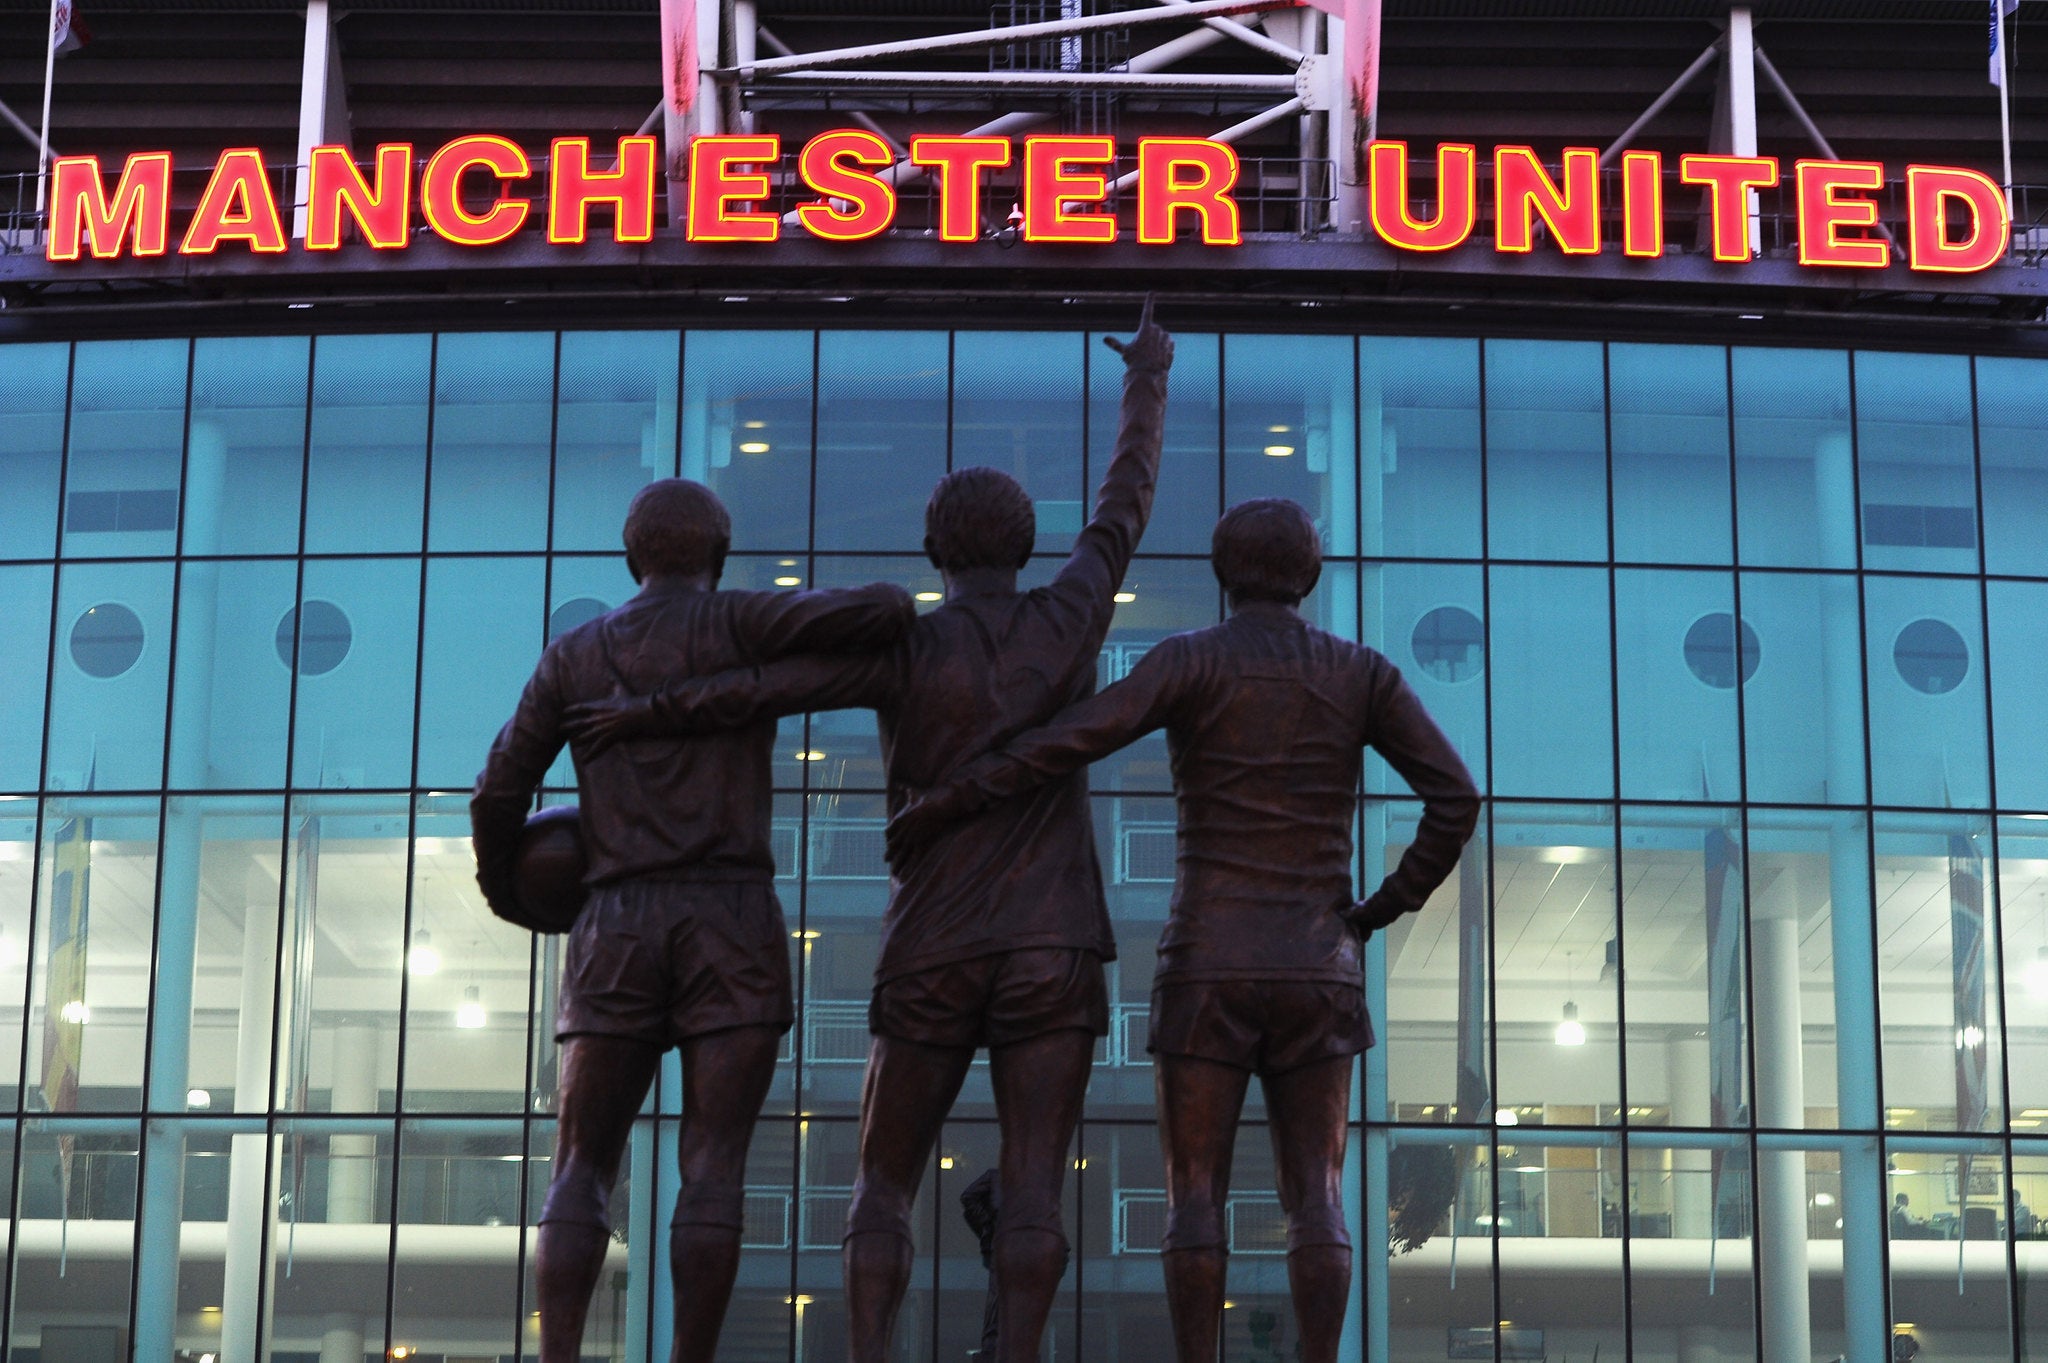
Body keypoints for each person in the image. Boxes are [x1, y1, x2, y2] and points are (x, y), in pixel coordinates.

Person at [565, 299, 1174, 1363]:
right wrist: (1147, 378)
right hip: (1051, 939)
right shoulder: (1070, 612)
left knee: (881, 1181)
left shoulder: (905, 651)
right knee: (1035, 1175)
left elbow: (762, 688)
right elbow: (1124, 505)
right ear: (1026, 544)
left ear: (932, 548)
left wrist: (642, 712)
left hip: (930, 941)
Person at [886, 497, 1479, 1363]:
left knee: (1191, 1193)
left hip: (1207, 957)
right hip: (1317, 959)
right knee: (1318, 1192)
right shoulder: (1362, 674)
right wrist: (1378, 909)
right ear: (1309, 576)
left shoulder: (1189, 662)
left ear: (1221, 573)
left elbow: (1064, 742)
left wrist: (946, 799)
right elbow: (1455, 798)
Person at [469, 478, 915, 1363]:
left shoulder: (576, 654)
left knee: (581, 1167)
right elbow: (891, 608)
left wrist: (506, 890)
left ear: (633, 557)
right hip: (730, 914)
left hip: (615, 918)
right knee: (713, 1165)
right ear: (716, 555)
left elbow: (499, 790)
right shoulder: (739, 621)